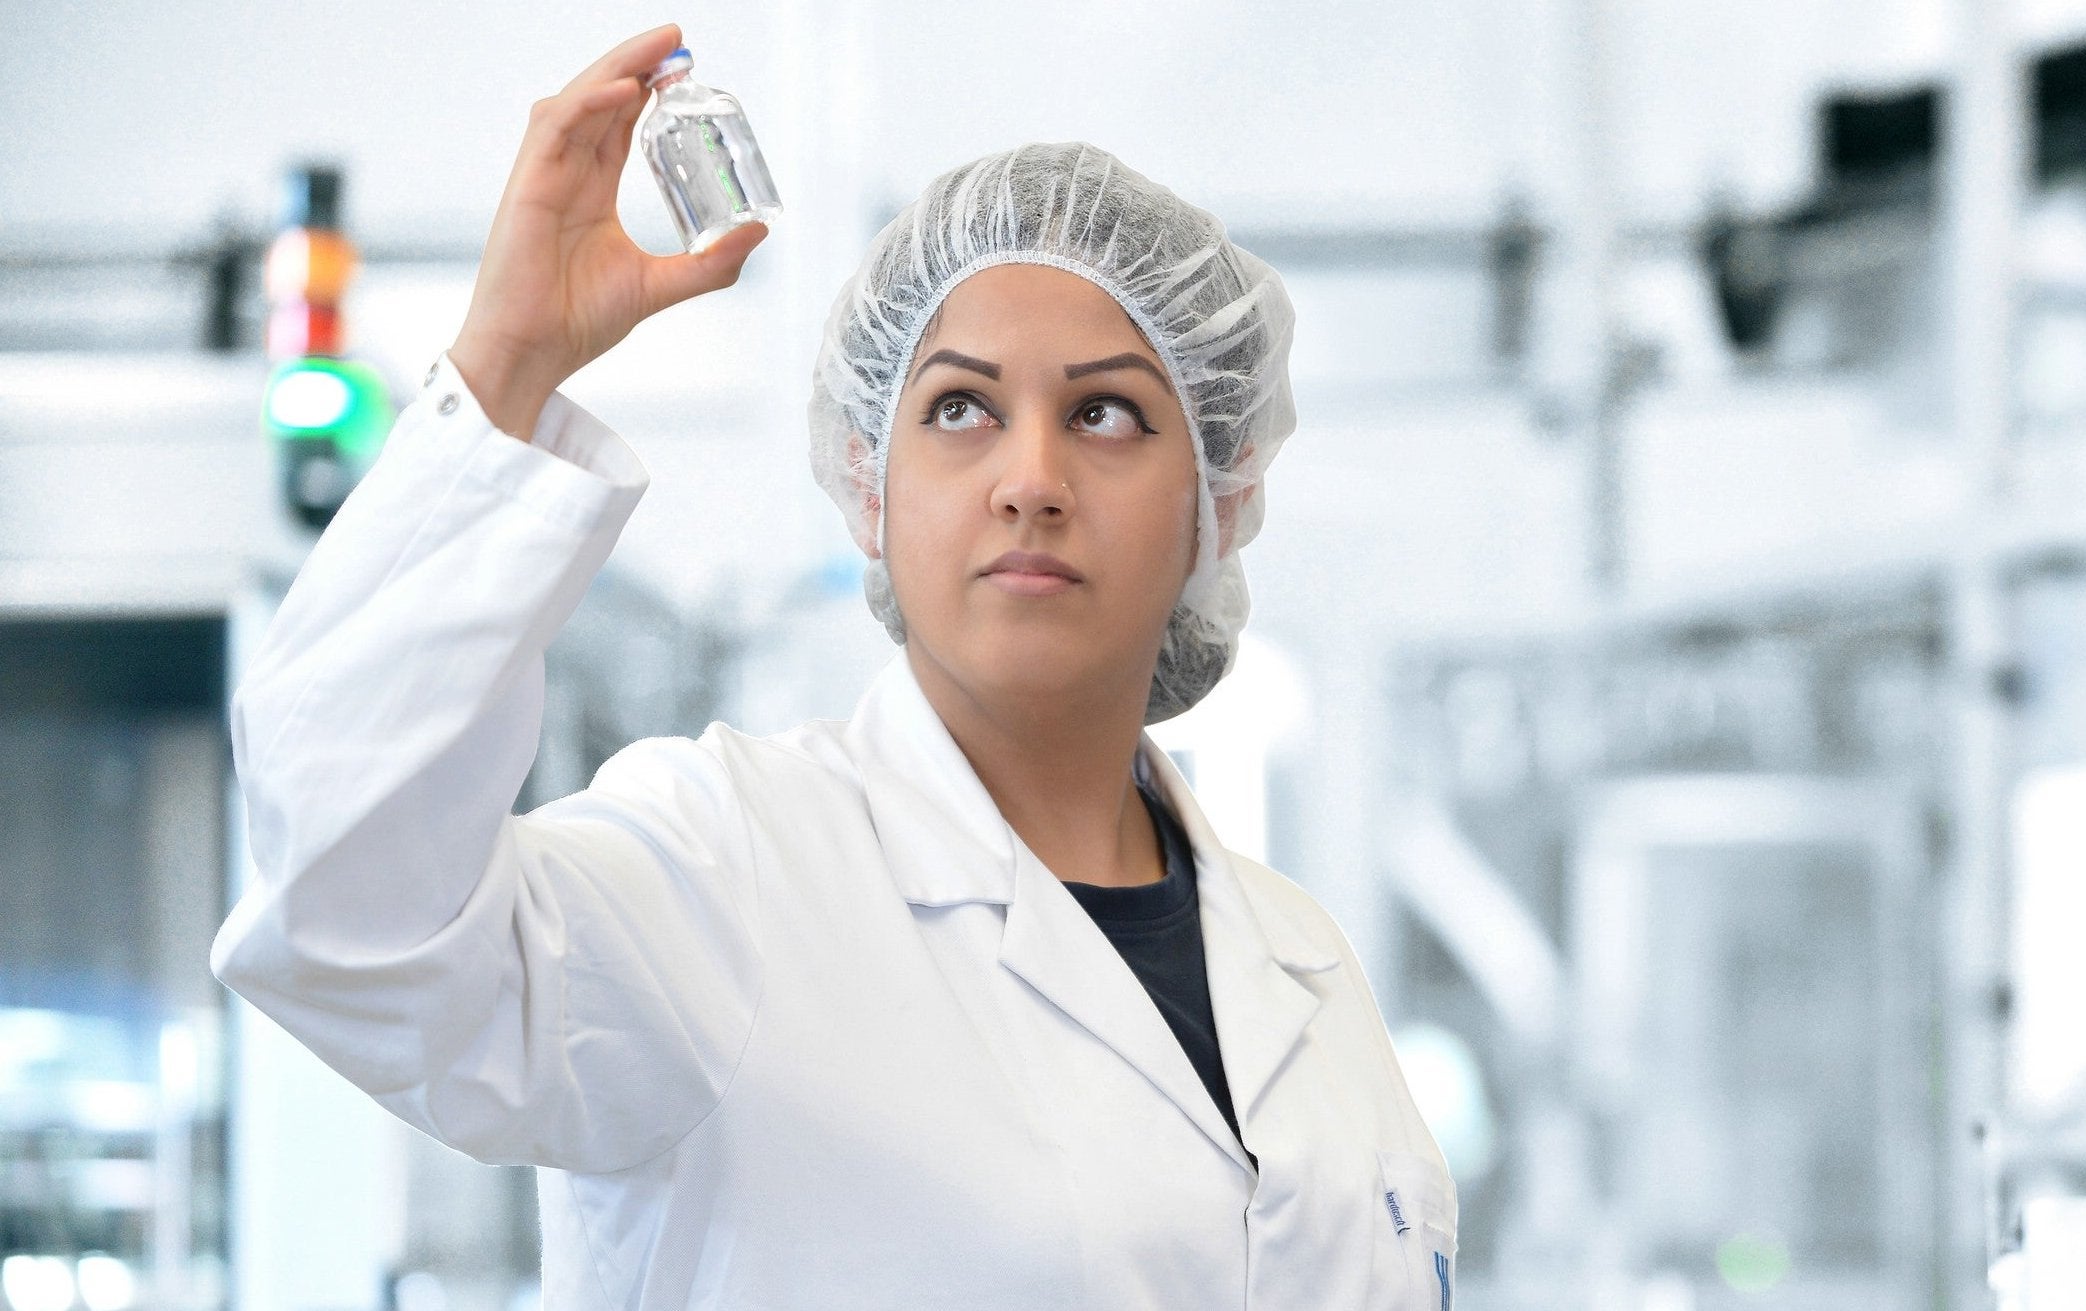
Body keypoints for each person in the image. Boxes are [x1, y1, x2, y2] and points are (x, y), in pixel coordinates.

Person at [209, 23, 1457, 1309]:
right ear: (868, 487)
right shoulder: (721, 875)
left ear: (1218, 501)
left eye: (1105, 413)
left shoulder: (1300, 963)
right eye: (961, 409)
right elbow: (352, 915)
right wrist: (509, 362)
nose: (1030, 479)